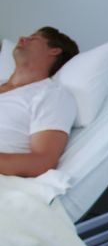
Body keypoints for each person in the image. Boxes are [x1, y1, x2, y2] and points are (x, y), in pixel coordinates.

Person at [0, 26, 79, 177]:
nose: (22, 38)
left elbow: (42, 162)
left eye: (34, 38)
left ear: (54, 50)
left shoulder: (52, 95)